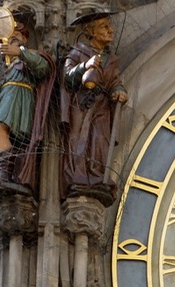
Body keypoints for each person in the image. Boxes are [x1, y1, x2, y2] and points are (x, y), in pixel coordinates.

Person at [0, 22, 53, 190]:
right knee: (1, 131)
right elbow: (3, 93)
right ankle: (6, 174)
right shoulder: (9, 67)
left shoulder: (29, 56)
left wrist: (21, 52)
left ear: (25, 38)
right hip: (9, 102)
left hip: (21, 104)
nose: (11, 41)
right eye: (8, 39)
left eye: (15, 37)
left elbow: (44, 68)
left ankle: (5, 172)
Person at [61, 11, 128, 201]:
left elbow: (114, 80)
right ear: (91, 32)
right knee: (78, 139)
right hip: (81, 103)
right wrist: (84, 66)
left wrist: (119, 90)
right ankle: (78, 176)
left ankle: (97, 175)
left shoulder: (111, 59)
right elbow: (66, 77)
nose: (110, 30)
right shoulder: (77, 52)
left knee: (100, 140)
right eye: (104, 27)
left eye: (109, 26)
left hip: (102, 105)